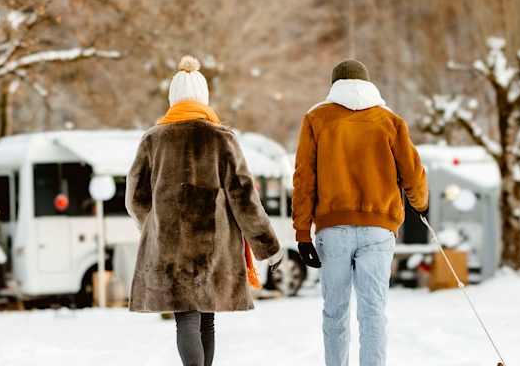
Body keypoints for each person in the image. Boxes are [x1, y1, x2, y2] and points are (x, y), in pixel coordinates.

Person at [127, 56, 284, 366]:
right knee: (207, 321)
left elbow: (135, 197)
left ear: (172, 98)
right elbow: (244, 197)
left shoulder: (153, 140)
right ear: (204, 97)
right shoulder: (222, 138)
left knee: (185, 319)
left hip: (169, 246)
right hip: (214, 246)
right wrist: (268, 246)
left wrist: (156, 226)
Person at [292, 59, 429, 366]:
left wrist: (302, 232)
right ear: (368, 84)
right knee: (373, 312)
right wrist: (419, 203)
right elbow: (413, 172)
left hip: (333, 229)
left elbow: (304, 177)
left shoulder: (316, 119)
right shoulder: (389, 121)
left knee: (335, 312)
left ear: (334, 85)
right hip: (379, 229)